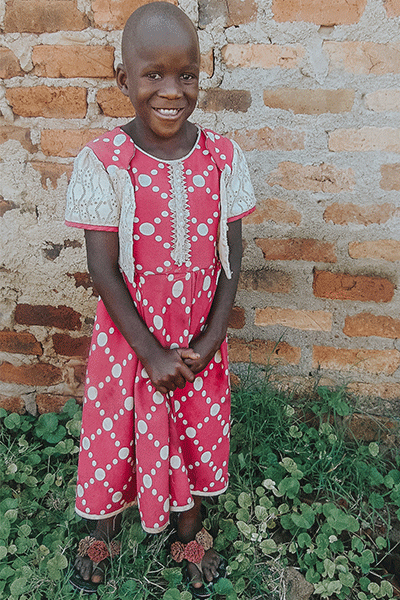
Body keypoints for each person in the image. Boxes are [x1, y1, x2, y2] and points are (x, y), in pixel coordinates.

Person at [65, 1, 256, 596]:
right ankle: (101, 528)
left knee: (192, 429)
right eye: (153, 75)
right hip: (131, 341)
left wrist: (214, 334)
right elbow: (103, 270)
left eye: (186, 75)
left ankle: (188, 529)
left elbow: (231, 255)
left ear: (201, 74)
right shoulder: (105, 161)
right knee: (116, 430)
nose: (171, 91)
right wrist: (148, 351)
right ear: (124, 78)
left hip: (197, 337)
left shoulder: (223, 157)